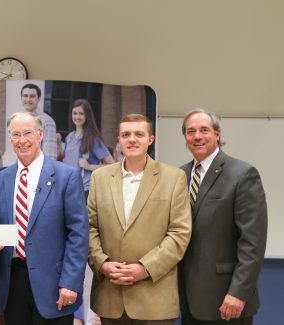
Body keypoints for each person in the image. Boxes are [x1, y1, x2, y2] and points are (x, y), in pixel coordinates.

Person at [0, 112, 89, 325]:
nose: (22, 140)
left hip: (55, 285)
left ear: (40, 134)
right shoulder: (2, 178)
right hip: (13, 283)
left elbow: (78, 234)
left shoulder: (66, 176)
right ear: (10, 138)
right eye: (16, 134)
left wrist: (70, 282)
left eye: (28, 133)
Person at [87, 113, 192, 325]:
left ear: (150, 139)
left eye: (139, 134)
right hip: (110, 296)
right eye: (125, 134)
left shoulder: (173, 178)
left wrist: (145, 268)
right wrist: (102, 263)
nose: (132, 139)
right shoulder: (100, 177)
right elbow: (90, 227)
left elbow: (179, 233)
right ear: (118, 140)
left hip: (154, 299)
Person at [178, 109, 268, 325]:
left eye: (204, 130)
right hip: (187, 299)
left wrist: (238, 292)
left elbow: (252, 242)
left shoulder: (243, 174)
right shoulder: (180, 175)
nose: (197, 136)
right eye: (190, 131)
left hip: (226, 300)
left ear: (217, 134)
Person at [59, 98, 114, 197]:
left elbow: (112, 165)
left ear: (87, 116)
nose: (77, 116)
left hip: (86, 190)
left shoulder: (93, 139)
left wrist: (89, 166)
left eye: (81, 113)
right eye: (74, 113)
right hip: (70, 189)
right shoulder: (69, 137)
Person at [21, 83, 58, 160]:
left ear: (38, 98)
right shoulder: (19, 120)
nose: (28, 99)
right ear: (21, 98)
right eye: (25, 96)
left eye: (32, 96)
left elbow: (50, 156)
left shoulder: (47, 121)